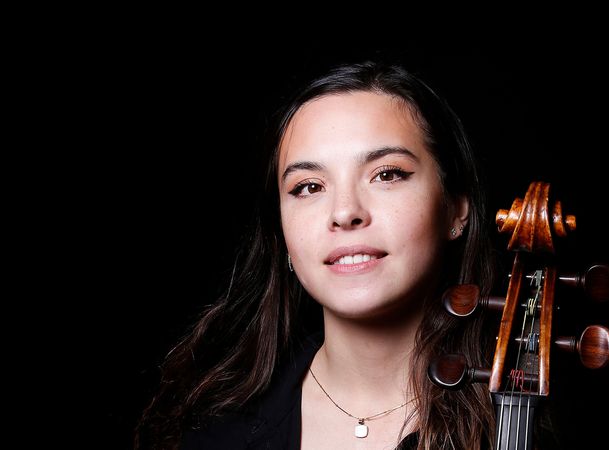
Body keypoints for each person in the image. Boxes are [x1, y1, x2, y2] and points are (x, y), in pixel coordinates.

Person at [135, 61, 498, 450]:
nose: (344, 212)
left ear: (455, 211)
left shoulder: (532, 420)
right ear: (283, 234)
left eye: (387, 174)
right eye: (308, 186)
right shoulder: (214, 433)